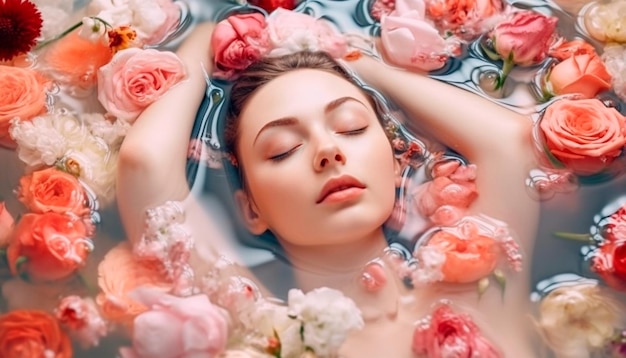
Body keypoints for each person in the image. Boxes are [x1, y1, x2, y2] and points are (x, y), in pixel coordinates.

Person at [116, 18, 540, 357]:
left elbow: (511, 142)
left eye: (351, 126)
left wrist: (355, 60)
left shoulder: (479, 277)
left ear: (396, 165)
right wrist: (208, 31)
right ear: (251, 210)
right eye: (283, 150)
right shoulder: (263, 328)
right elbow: (144, 164)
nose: (328, 150)